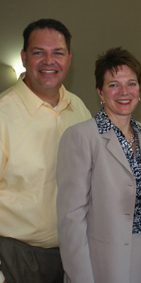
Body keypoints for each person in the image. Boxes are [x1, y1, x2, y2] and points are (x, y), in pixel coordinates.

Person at [56, 47, 141, 283]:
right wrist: (81, 277)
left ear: (140, 91)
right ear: (100, 92)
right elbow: (71, 219)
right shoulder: (81, 136)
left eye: (131, 83)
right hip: (103, 262)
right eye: (113, 85)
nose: (124, 92)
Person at [0, 18, 91, 283]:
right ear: (24, 57)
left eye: (58, 53)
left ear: (69, 58)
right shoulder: (4, 114)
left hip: (71, 255)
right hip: (14, 258)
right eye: (39, 52)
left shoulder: (79, 108)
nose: (49, 61)